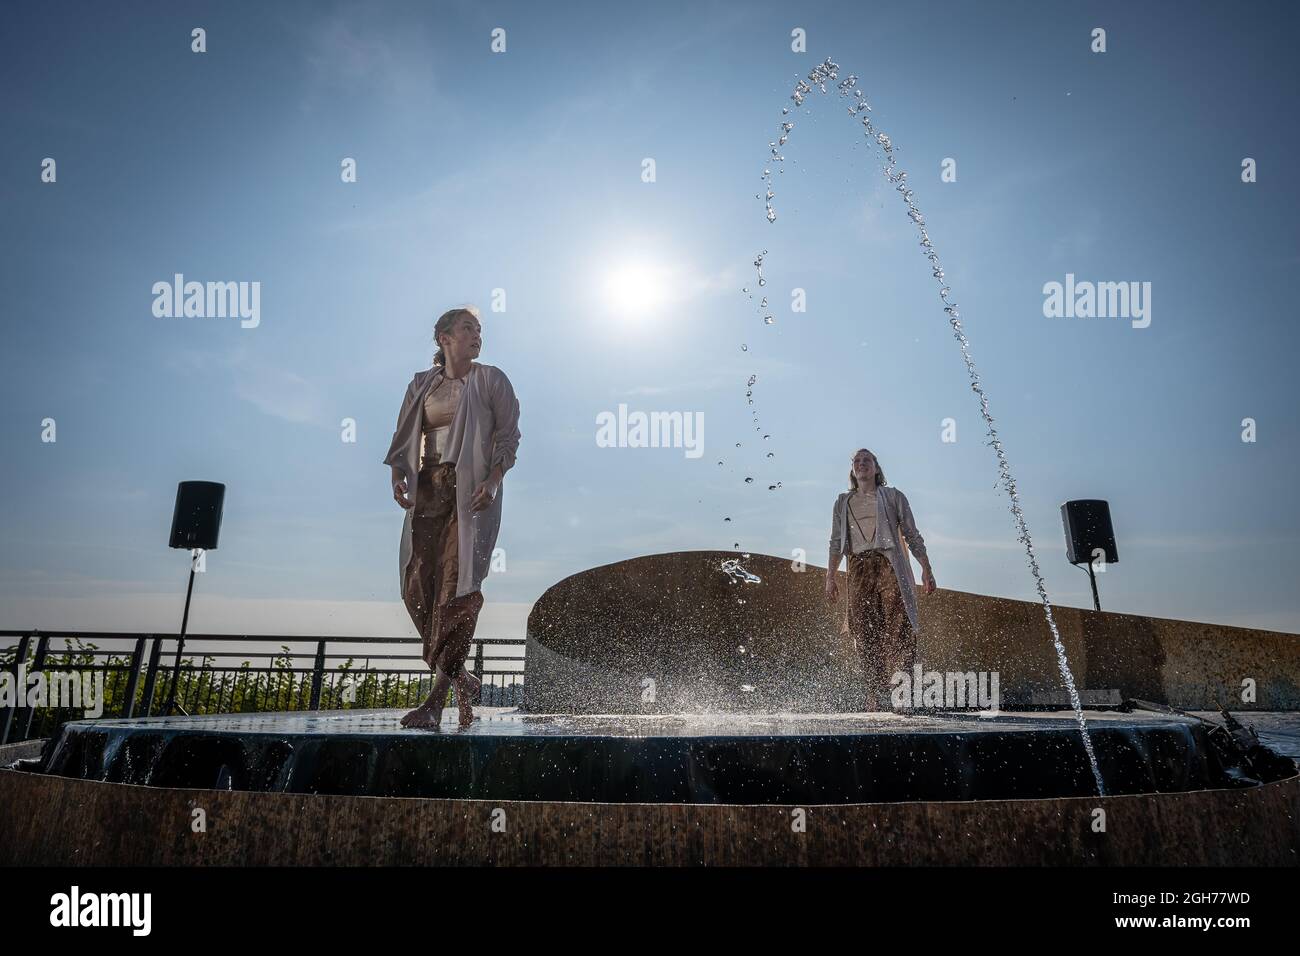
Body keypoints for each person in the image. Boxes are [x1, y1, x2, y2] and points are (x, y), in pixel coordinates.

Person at [382, 306, 521, 729]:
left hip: (472, 491)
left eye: (479, 329)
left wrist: (494, 480)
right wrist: (397, 475)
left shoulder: (492, 379)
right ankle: (461, 676)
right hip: (429, 485)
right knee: (415, 583)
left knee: (456, 589)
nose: (476, 334)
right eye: (467, 328)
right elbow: (404, 432)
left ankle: (435, 702)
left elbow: (509, 436)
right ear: (444, 337)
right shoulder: (421, 384)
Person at [824, 448, 936, 709]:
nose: (862, 464)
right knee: (864, 632)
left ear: (876, 468)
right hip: (858, 568)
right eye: (857, 461)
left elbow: (912, 535)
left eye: (867, 460)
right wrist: (830, 577)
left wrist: (926, 568)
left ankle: (902, 694)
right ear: (853, 470)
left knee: (900, 629)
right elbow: (835, 542)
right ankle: (874, 694)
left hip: (889, 566)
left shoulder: (893, 496)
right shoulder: (842, 502)